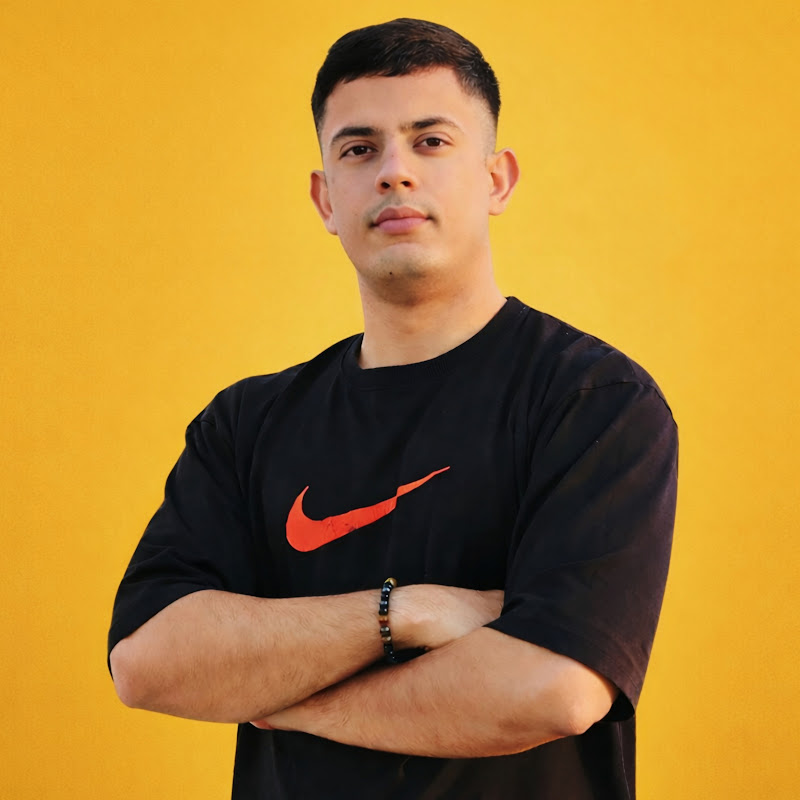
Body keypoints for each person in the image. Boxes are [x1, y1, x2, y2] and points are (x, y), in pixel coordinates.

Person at [108, 18, 678, 800]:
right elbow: (148, 661)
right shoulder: (246, 425)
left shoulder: (592, 402)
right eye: (359, 149)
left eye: (431, 141)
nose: (394, 173)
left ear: (497, 180)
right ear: (325, 198)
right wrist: (402, 612)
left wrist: (288, 702)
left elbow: (553, 689)